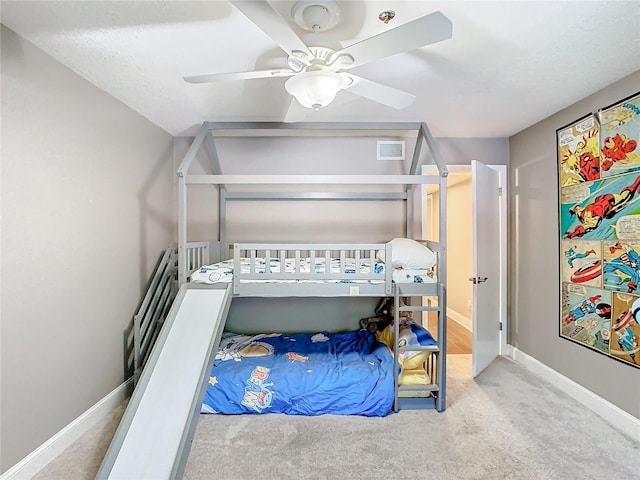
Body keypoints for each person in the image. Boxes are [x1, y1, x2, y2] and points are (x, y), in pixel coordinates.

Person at [564, 175, 640, 239]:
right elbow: (577, 208)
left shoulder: (593, 223)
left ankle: (637, 182)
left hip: (607, 201)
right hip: (601, 199)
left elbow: (583, 229)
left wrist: (573, 234)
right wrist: (573, 210)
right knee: (622, 200)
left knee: (625, 198)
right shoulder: (582, 214)